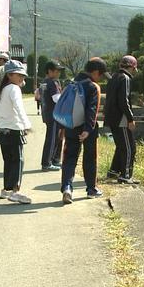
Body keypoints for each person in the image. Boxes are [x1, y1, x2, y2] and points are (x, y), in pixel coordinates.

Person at [60, 57, 110, 204]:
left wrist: (62, 127)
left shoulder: (71, 83)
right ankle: (91, 189)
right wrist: (88, 129)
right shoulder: (93, 87)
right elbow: (92, 110)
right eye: (100, 75)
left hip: (70, 127)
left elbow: (65, 107)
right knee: (90, 159)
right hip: (87, 130)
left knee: (69, 159)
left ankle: (67, 188)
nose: (100, 79)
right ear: (95, 72)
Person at [0, 60, 32, 204]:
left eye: (23, 76)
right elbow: (19, 107)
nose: (22, 78)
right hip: (14, 129)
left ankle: (6, 189)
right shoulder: (14, 89)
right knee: (18, 160)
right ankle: (15, 192)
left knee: (8, 161)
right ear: (10, 75)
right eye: (19, 75)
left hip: (2, 131)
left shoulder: (4, 90)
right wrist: (26, 124)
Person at [104, 55, 139, 184]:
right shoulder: (125, 78)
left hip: (111, 117)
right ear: (132, 67)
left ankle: (113, 171)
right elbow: (124, 100)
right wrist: (130, 118)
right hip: (121, 118)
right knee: (129, 147)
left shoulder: (114, 77)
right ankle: (126, 175)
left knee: (120, 145)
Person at [40, 60, 64, 171]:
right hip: (54, 114)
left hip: (47, 113)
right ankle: (47, 163)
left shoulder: (44, 82)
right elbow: (56, 99)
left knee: (55, 137)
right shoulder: (52, 82)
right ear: (50, 71)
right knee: (52, 138)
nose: (58, 73)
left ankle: (54, 160)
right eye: (56, 70)